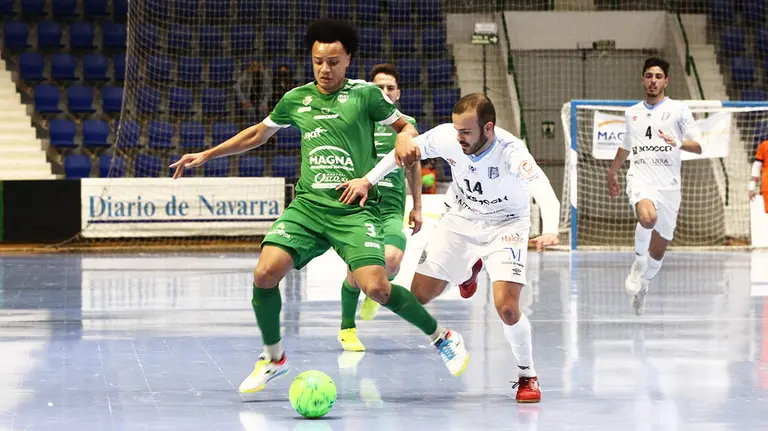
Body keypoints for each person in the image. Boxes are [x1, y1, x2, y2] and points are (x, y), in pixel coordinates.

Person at [169, 19, 469, 394]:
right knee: (264, 273)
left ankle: (442, 336)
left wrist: (406, 140)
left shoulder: (366, 95)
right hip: (308, 207)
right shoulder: (297, 98)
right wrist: (207, 154)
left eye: (333, 61)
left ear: (348, 61)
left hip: (352, 208)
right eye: (318, 61)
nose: (324, 69)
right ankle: (274, 357)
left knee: (377, 287)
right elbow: (257, 134)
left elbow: (404, 127)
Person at [337, 93, 561, 403]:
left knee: (508, 309)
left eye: (466, 132)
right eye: (457, 130)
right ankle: (467, 271)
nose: (459, 137)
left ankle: (527, 374)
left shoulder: (512, 152)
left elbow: (545, 191)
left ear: (489, 129)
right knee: (418, 295)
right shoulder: (447, 137)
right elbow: (403, 153)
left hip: (506, 224)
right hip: (460, 217)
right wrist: (367, 180)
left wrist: (550, 229)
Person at [337, 63, 423, 352]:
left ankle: (373, 294)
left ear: (398, 94)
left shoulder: (406, 125)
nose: (384, 92)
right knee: (355, 272)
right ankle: (347, 327)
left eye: (390, 88)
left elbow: (414, 168)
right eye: (379, 88)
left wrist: (417, 206)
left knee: (393, 258)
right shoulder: (359, 120)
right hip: (361, 208)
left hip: (392, 207)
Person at [606, 57, 702, 315]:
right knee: (647, 218)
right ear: (642, 80)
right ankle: (638, 264)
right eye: (649, 76)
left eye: (658, 76)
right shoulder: (632, 112)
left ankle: (645, 285)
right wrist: (613, 171)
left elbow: (699, 145)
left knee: (658, 250)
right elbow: (627, 144)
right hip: (641, 179)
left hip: (669, 185)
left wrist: (677, 143)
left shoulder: (679, 110)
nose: (653, 81)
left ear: (666, 81)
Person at [749, 139, 767, 213]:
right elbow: (757, 166)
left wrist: (751, 187)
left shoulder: (764, 145)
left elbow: (756, 166)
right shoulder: (764, 145)